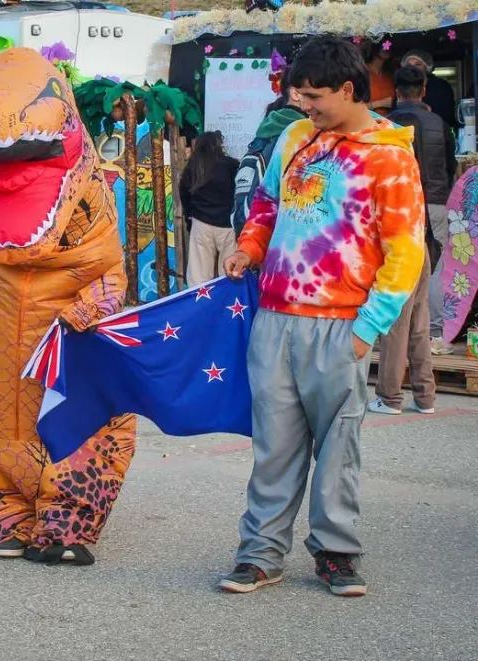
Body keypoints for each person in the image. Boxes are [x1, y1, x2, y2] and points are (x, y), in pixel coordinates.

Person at [220, 36, 425, 597]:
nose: (305, 107)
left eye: (314, 97)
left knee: (340, 447)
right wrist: (249, 248)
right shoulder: (293, 136)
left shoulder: (389, 154)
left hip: (343, 323)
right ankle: (260, 554)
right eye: (300, 96)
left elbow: (406, 250)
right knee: (274, 446)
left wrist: (368, 329)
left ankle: (336, 552)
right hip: (275, 315)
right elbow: (265, 205)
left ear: (349, 89)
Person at [388, 66, 459, 356]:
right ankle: (435, 335)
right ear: (424, 90)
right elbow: (450, 164)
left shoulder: (385, 124)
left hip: (396, 203)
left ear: (396, 92)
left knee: (393, 263)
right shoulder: (438, 123)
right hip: (435, 200)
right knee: (435, 266)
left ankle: (392, 333)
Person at [231, 76, 307, 237]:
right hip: (284, 241)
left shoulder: (262, 137)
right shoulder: (298, 137)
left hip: (258, 241)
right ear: (296, 94)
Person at [180, 131, 239, 285]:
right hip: (228, 225)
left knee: (198, 276)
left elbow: (183, 192)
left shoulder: (194, 165)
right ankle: (227, 306)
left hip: (201, 223)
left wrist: (189, 216)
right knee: (229, 274)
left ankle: (199, 307)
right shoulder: (232, 165)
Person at [401, 49, 460, 130]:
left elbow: (446, 117)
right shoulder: (402, 86)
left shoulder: (441, 86)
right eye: (409, 65)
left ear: (427, 67)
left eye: (418, 64)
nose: (412, 68)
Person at [364, 41, 395, 114]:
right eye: (384, 45)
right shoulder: (362, 72)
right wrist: (380, 103)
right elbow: (352, 108)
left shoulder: (389, 75)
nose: (387, 48)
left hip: (389, 122)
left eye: (390, 46)